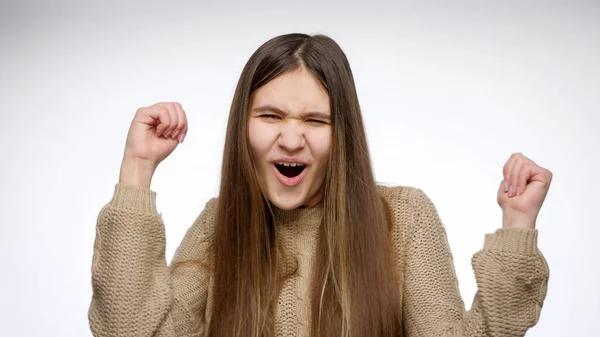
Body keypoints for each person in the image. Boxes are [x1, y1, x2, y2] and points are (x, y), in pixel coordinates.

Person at [88, 33, 552, 337]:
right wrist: (138, 167)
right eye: (270, 116)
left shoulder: (404, 218)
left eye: (315, 120)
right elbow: (128, 329)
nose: (291, 139)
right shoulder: (221, 223)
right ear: (242, 127)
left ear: (342, 132)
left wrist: (517, 226)